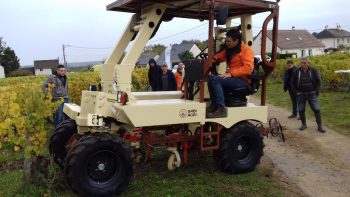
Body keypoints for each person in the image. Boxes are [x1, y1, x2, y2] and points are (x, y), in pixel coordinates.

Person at [206, 29, 254, 118]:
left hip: (243, 81)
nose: (227, 43)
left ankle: (221, 109)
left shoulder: (247, 51)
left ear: (237, 41)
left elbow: (248, 68)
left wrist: (231, 73)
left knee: (216, 80)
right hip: (233, 78)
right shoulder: (230, 50)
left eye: (229, 41)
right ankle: (214, 105)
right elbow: (217, 57)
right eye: (226, 41)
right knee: (211, 79)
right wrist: (208, 62)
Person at [291, 57, 326, 132]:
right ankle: (304, 124)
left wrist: (315, 91)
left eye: (304, 63)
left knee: (316, 109)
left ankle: (320, 126)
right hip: (301, 94)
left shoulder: (313, 71)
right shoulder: (296, 72)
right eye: (301, 63)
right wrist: (296, 92)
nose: (302, 64)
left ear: (308, 63)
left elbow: (319, 81)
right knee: (301, 109)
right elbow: (292, 83)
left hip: (311, 94)